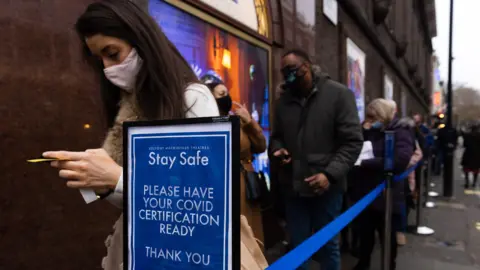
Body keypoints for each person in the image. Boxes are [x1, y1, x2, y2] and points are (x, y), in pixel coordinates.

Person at [41, 1, 219, 269]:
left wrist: (117, 178)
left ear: (141, 40)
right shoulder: (129, 104)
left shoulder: (192, 98)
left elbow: (207, 199)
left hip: (185, 254)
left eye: (112, 53)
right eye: (98, 59)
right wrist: (99, 181)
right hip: (141, 248)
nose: (107, 68)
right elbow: (135, 203)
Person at [270, 49, 363, 270]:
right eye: (284, 72)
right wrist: (279, 150)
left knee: (327, 246)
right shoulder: (284, 101)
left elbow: (352, 142)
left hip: (326, 189)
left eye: (292, 70)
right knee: (298, 246)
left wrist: (330, 174)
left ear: (307, 66)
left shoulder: (339, 95)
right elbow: (277, 138)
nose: (288, 77)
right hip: (293, 186)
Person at [202, 77, 267, 242]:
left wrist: (249, 122)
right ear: (211, 99)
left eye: (227, 93)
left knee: (251, 233)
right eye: (222, 94)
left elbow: (261, 146)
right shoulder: (205, 124)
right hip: (223, 184)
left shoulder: (239, 120)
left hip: (247, 185)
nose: (227, 97)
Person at [351, 99, 413, 270]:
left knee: (388, 237)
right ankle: (363, 263)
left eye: (373, 116)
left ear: (383, 115)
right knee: (365, 235)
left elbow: (399, 161)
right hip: (365, 192)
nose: (370, 120)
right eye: (368, 117)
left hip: (387, 194)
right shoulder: (372, 130)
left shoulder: (400, 132)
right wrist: (363, 132)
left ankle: (388, 266)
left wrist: (366, 163)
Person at [461, 124, 480, 188]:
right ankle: (474, 183)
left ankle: (467, 182)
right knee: (476, 169)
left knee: (466, 169)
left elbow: (464, 145)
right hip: (477, 154)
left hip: (468, 153)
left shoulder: (467, 136)